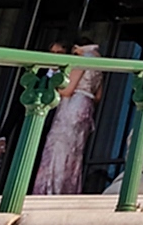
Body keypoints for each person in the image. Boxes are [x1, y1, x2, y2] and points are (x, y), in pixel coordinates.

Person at [29, 40, 104, 195]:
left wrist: (50, 84)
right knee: (75, 151)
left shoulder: (82, 59)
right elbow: (98, 96)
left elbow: (67, 90)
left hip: (72, 105)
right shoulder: (99, 62)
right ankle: (68, 190)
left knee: (58, 146)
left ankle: (50, 189)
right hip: (86, 106)